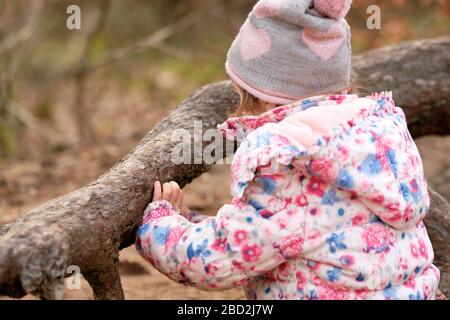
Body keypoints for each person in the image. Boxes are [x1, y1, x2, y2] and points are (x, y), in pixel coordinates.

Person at [135, 0, 440, 300]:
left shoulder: (289, 161)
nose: (240, 110)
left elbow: (216, 260)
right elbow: (277, 233)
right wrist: (190, 222)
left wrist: (159, 225)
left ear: (267, 97)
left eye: (244, 96)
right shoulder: (376, 138)